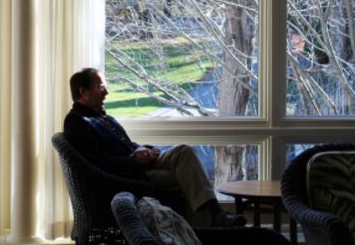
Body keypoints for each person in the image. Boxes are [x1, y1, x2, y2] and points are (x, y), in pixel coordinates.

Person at [64, 67, 246, 227]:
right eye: (101, 87)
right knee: (182, 176)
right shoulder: (77, 122)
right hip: (128, 175)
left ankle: (215, 215)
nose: (107, 92)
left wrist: (145, 149)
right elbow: (97, 163)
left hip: (140, 162)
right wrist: (134, 161)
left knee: (184, 151)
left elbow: (125, 145)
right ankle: (207, 223)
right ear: (84, 92)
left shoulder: (102, 117)